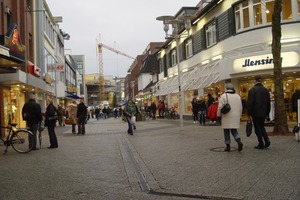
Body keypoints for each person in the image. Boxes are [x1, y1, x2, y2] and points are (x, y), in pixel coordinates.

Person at [217, 83, 243, 152]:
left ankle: (227, 146)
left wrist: (218, 115)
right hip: (235, 116)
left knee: (226, 131)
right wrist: (240, 115)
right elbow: (241, 107)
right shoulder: (238, 96)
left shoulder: (224, 96)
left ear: (226, 88)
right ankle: (238, 140)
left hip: (227, 116)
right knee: (234, 130)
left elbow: (220, 107)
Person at [247, 76, 271, 149]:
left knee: (257, 128)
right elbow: (268, 103)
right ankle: (266, 140)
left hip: (255, 112)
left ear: (255, 81)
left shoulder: (252, 90)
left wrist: (249, 112)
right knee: (262, 126)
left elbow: (250, 103)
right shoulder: (266, 90)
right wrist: (267, 113)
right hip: (263, 112)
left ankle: (261, 143)